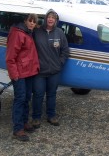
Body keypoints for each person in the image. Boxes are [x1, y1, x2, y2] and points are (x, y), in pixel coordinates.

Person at [32, 9, 69, 128]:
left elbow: (65, 50)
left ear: (56, 20)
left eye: (53, 17)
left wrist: (60, 63)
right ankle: (36, 117)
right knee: (38, 94)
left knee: (52, 94)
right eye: (49, 16)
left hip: (54, 71)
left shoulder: (59, 33)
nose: (51, 19)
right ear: (45, 18)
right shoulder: (37, 31)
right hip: (40, 71)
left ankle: (51, 116)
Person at [6, 13, 40, 142]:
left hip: (29, 72)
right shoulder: (18, 33)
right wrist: (14, 74)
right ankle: (17, 129)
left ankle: (25, 122)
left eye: (34, 21)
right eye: (30, 21)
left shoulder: (29, 33)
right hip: (19, 73)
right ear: (25, 21)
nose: (32, 23)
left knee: (26, 98)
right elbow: (10, 57)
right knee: (20, 99)